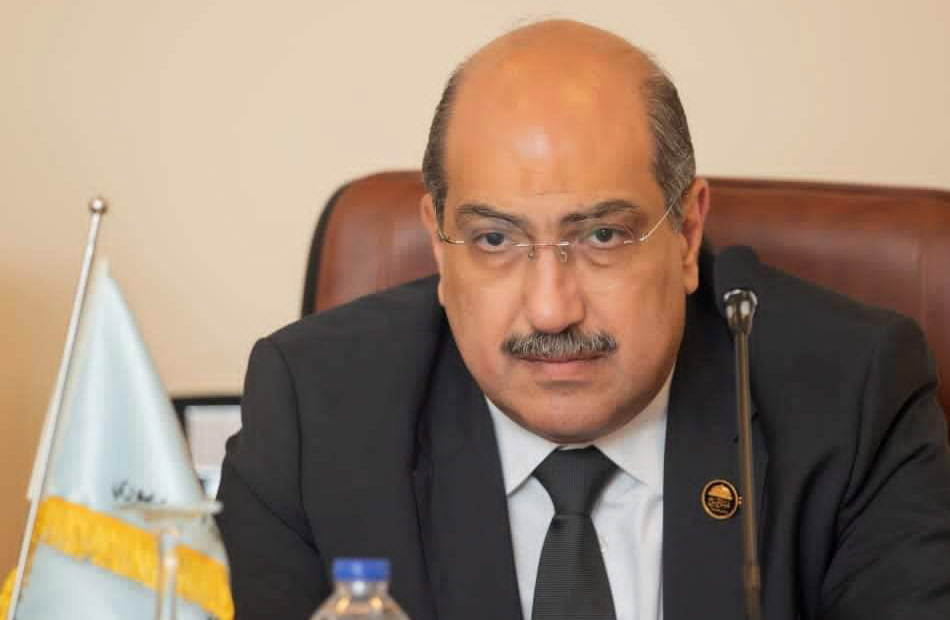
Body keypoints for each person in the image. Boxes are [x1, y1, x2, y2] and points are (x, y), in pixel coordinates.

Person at [217, 19, 950, 620]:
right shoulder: (313, 410)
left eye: (603, 235)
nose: (551, 309)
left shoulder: (854, 398)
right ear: (439, 244)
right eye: (494, 240)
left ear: (687, 234)